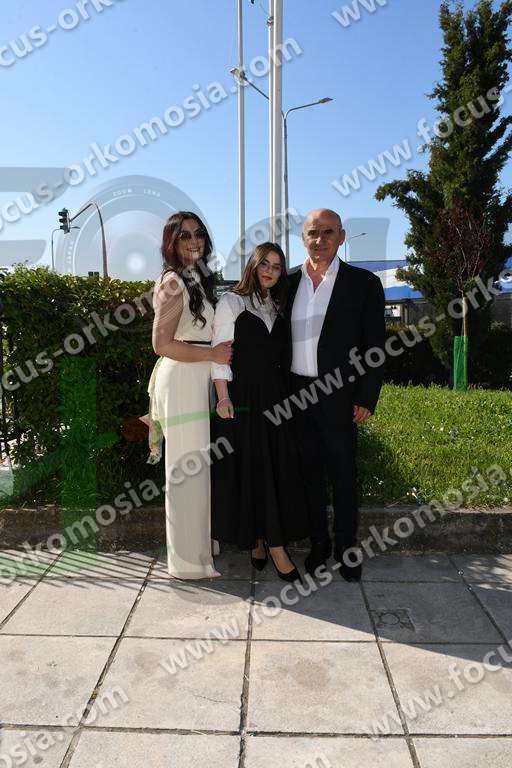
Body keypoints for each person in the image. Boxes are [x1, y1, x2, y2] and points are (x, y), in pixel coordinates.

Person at [285, 209, 386, 581]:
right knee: (309, 475)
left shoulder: (363, 284)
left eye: (328, 232)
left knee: (343, 475)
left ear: (341, 237)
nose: (320, 239)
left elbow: (375, 346)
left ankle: (345, 548)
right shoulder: (287, 282)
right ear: (303, 238)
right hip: (295, 396)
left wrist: (367, 397)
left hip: (340, 396)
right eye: (313, 232)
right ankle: (319, 545)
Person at [210, 242, 309, 582]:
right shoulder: (231, 302)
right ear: (252, 265)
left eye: (277, 266)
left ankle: (268, 540)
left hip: (277, 401)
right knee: (252, 471)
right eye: (264, 263)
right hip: (243, 400)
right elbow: (220, 354)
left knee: (275, 471)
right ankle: (265, 543)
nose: (270, 271)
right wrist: (223, 398)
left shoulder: (276, 306)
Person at [145, 211, 233, 579]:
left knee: (197, 469)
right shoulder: (172, 282)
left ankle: (199, 549)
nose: (194, 241)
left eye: (198, 234)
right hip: (181, 380)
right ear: (171, 242)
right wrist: (212, 354)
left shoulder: (195, 278)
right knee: (186, 472)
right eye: (184, 236)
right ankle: (187, 562)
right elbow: (161, 344)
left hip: (195, 379)